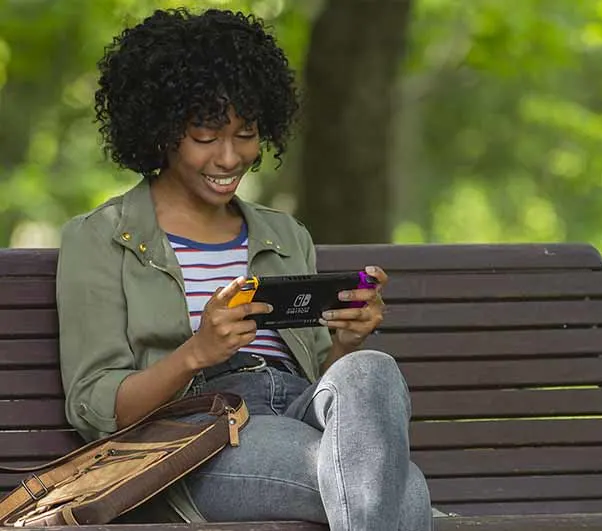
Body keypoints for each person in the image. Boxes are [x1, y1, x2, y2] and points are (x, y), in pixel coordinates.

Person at [55, 7, 432, 530]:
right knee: (403, 490)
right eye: (206, 137)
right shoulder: (101, 238)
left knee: (373, 369)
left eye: (246, 133)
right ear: (161, 132)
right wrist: (196, 353)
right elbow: (95, 409)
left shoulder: (284, 234)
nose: (230, 158)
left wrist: (347, 342)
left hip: (298, 412)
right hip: (198, 436)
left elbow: (322, 383)